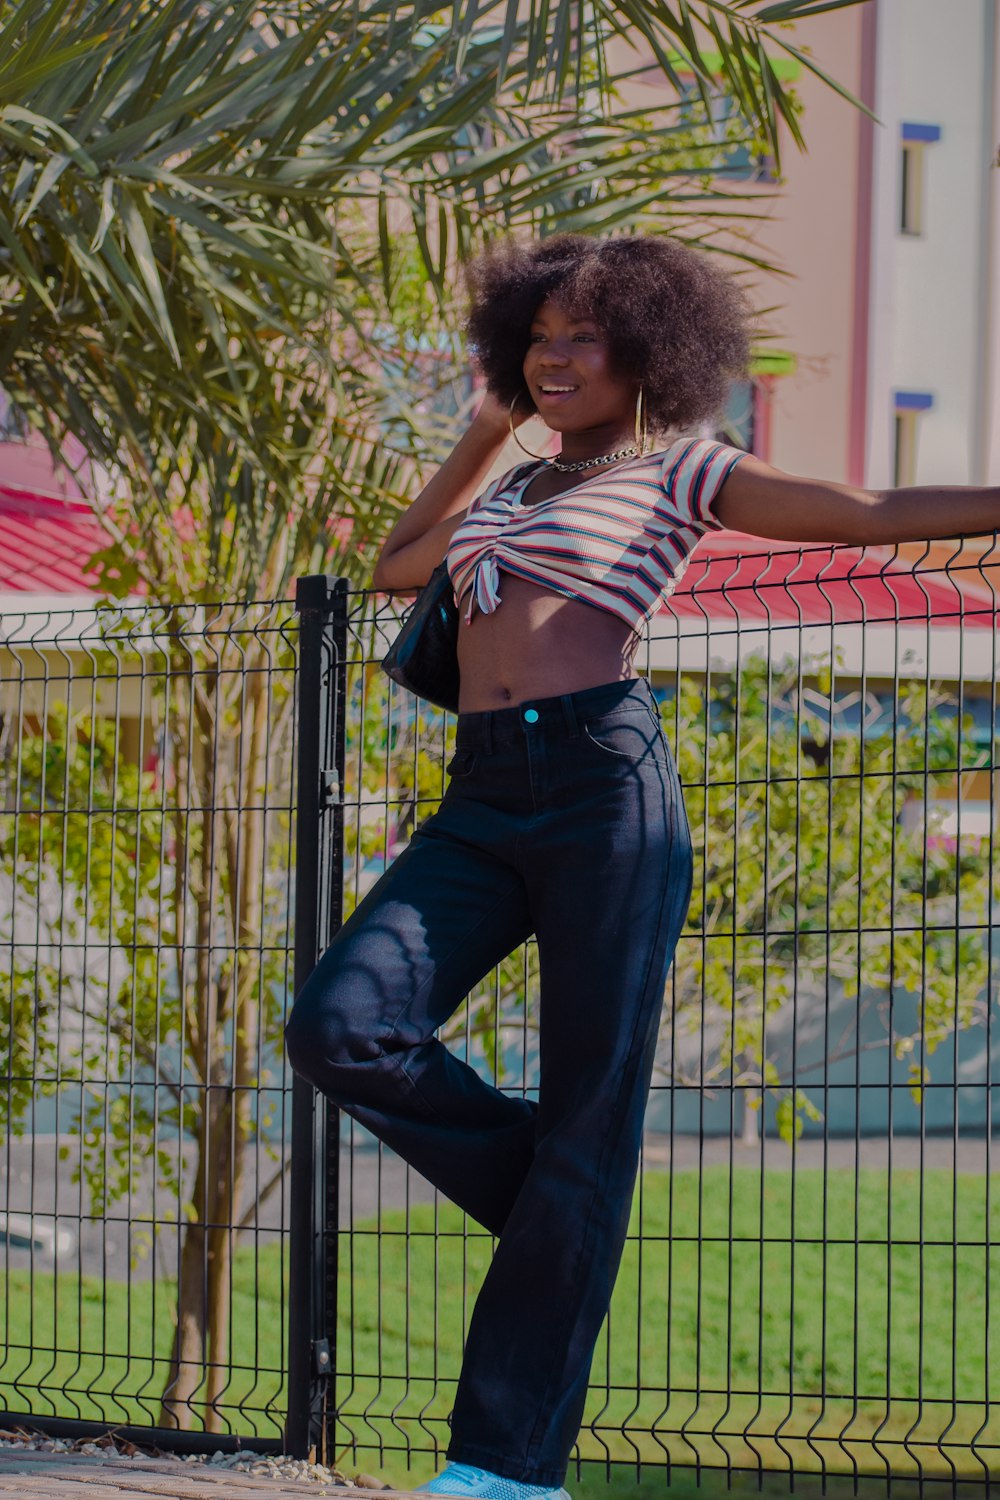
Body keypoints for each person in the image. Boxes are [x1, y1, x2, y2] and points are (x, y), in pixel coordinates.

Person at [284, 233, 1000, 1500]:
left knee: (585, 1121)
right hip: (482, 798)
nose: (556, 358)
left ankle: (501, 1471)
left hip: (606, 793)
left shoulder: (684, 470)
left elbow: (868, 514)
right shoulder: (512, 487)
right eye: (538, 336)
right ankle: (573, 1212)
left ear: (649, 353)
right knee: (343, 1025)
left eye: (584, 338)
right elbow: (397, 565)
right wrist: (484, 432)